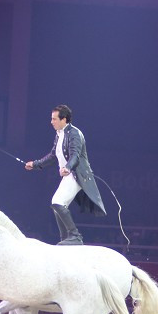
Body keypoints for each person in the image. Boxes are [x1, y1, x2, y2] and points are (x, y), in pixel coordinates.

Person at [24, 104, 106, 245]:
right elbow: (53, 155)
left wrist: (68, 167)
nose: (51, 122)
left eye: (54, 119)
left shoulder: (75, 133)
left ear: (64, 119)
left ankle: (75, 236)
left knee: (57, 202)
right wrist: (35, 164)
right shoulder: (59, 134)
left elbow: (75, 154)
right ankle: (65, 239)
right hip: (69, 175)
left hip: (77, 175)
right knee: (57, 206)